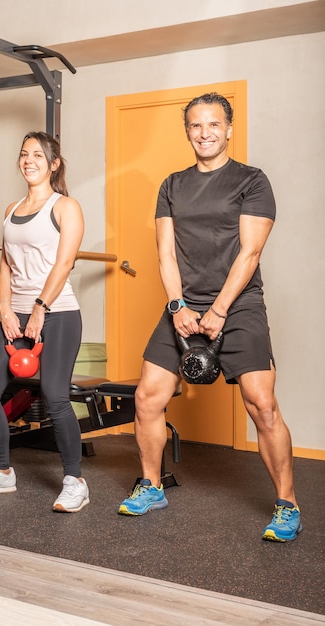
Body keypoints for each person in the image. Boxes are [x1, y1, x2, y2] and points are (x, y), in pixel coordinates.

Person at [118, 93, 302, 542]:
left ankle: (287, 503)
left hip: (238, 304)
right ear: (187, 132)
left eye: (213, 125)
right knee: (147, 397)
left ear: (229, 129)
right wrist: (178, 305)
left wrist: (219, 309)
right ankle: (151, 485)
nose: (205, 133)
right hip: (182, 304)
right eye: (196, 126)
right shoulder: (172, 185)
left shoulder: (252, 181)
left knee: (262, 404)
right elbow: (164, 252)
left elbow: (250, 251)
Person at [0, 131, 89, 513]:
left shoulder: (66, 206)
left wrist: (39, 307)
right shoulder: (10, 209)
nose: (28, 160)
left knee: (55, 394)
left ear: (54, 164)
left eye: (37, 155)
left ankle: (75, 481)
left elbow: (64, 263)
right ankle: (1, 471)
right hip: (14, 315)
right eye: (23, 154)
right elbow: (5, 263)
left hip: (58, 312)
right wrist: (3, 307)